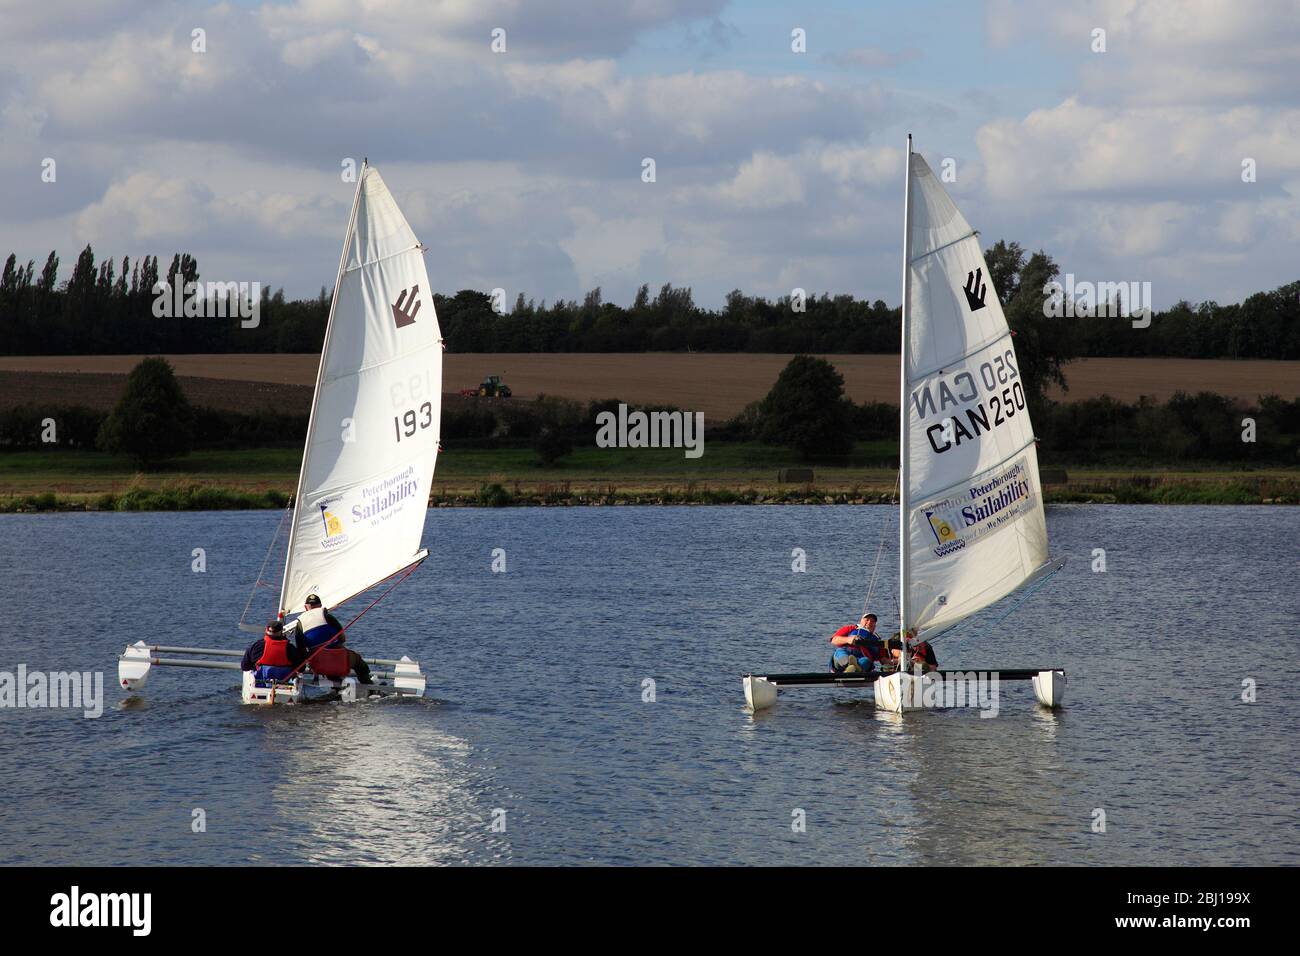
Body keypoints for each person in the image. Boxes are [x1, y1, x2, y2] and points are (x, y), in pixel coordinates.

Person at [286, 593, 372, 684]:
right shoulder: (328, 617)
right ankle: (368, 686)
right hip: (339, 659)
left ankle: (331, 684)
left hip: (318, 664)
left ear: (306, 607)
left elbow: (301, 650)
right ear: (320, 606)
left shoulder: (300, 623)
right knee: (359, 663)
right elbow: (342, 638)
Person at [240, 620, 306, 686]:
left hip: (260, 684)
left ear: (266, 630)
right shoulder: (290, 648)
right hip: (285, 684)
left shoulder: (257, 646)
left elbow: (245, 667)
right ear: (281, 631)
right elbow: (301, 668)